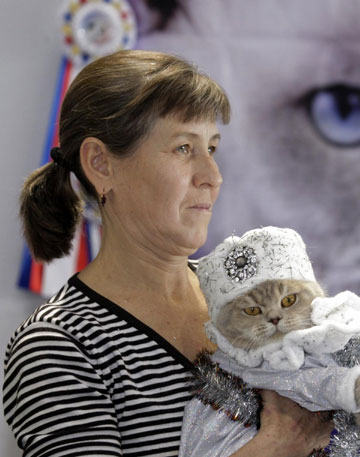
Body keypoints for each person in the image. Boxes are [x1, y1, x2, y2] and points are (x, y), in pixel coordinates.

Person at [3, 50, 333, 457]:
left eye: (211, 148)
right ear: (101, 163)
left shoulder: (246, 299)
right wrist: (277, 448)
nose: (212, 177)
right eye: (182, 148)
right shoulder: (60, 343)